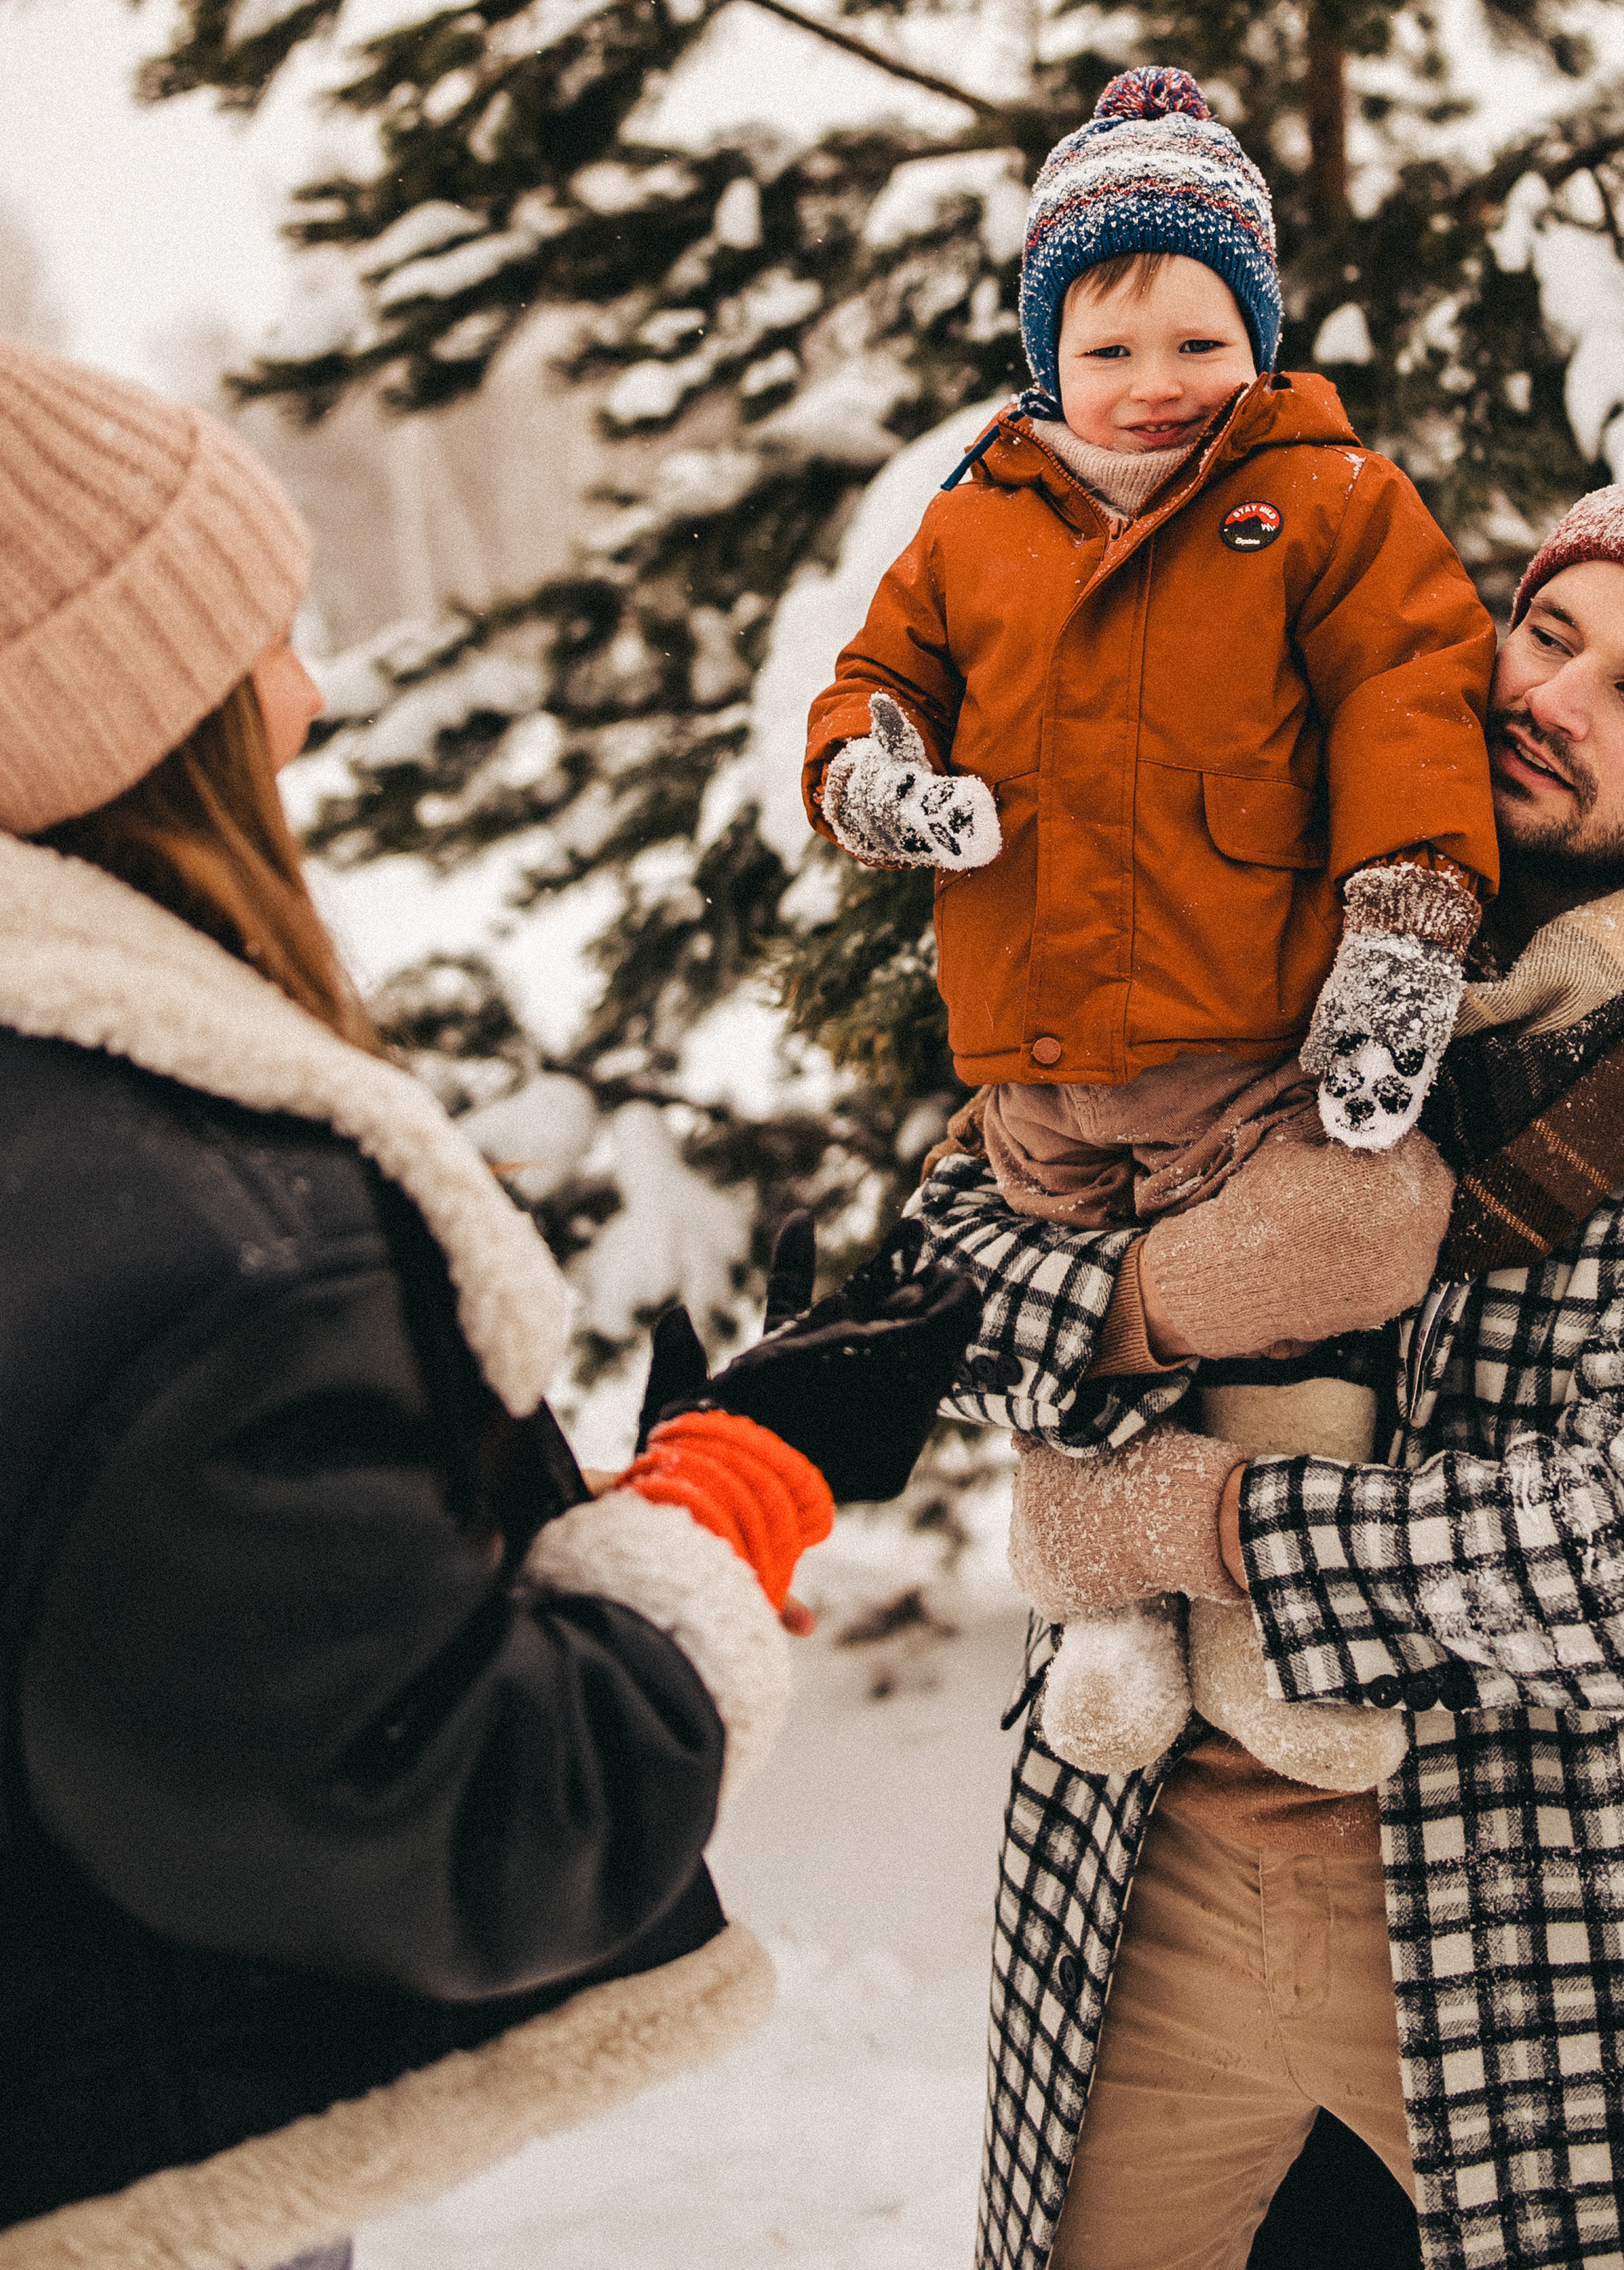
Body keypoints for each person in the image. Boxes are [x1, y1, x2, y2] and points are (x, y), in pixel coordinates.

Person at [0, 339, 974, 2267]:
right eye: (264, 634)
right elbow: (470, 1813)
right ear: (132, 721)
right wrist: (742, 1489)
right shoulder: (195, 1239)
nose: (315, 686)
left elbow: (187, 1678)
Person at [918, 476, 1624, 2270]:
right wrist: (1152, 1304)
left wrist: (1205, 1518)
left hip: (1553, 1924)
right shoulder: (1262, 899)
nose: (1551, 698)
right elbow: (943, 1261)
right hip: (1154, 1881)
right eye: (1549, 633)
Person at [803, 64, 1500, 1785]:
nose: (1155, 385)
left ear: (1255, 336)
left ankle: (1277, 1622)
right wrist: (875, 773)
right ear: (1044, 357)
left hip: (1242, 1059)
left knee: (1289, 1309)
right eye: (1107, 351)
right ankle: (1102, 1614)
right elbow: (872, 682)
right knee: (1054, 1321)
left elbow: (1411, 698)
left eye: (1199, 341)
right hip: (1036, 1066)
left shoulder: (1322, 503)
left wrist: (1406, 917)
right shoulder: (972, 526)